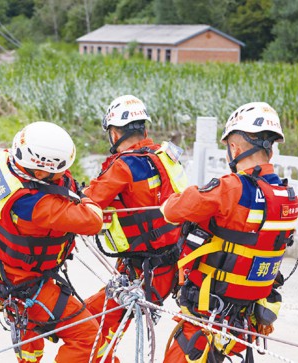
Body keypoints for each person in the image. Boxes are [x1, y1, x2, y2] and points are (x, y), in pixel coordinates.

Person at [162, 102, 298, 363]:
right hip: (246, 325)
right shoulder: (288, 197)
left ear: (234, 148)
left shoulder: (229, 189)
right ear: (270, 149)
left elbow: (171, 211)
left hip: (206, 321)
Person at [0, 121, 105, 362]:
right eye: (59, 171)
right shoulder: (35, 205)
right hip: (26, 283)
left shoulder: (4, 163)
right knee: (88, 337)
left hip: (8, 274)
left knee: (29, 342)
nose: (63, 175)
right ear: (39, 173)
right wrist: (85, 198)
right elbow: (92, 221)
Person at [82, 95, 188, 361]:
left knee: (89, 325)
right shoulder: (165, 158)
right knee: (95, 318)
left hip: (145, 270)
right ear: (145, 129)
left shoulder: (122, 167)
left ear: (115, 132)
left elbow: (89, 203)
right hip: (172, 265)